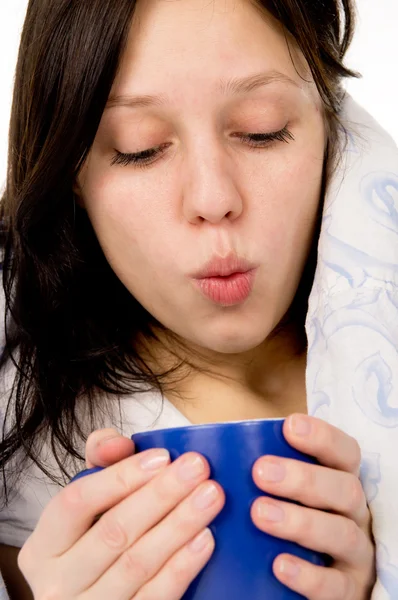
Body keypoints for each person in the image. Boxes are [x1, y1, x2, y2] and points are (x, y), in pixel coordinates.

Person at [2, 0, 396, 596]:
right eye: (140, 147)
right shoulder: (21, 459)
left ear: (332, 132)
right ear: (72, 173)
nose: (213, 198)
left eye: (263, 131)